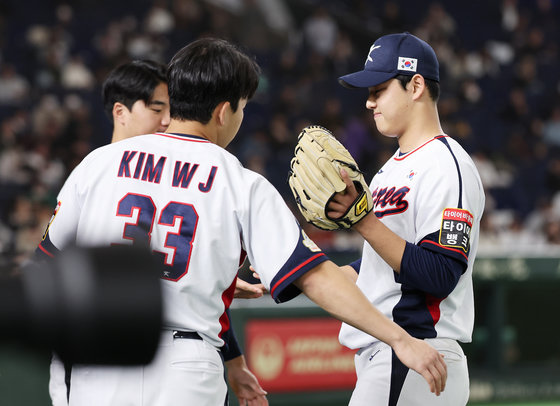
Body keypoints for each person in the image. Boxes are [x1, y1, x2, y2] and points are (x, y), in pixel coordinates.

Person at [36, 37, 446, 406]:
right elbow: (317, 278)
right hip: (185, 367)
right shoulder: (239, 182)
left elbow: (45, 268)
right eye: (242, 108)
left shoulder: (97, 164)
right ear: (222, 111)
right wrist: (400, 339)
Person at [43, 58, 268, 406]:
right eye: (157, 108)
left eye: (171, 108)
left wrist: (234, 359)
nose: (166, 119)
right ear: (121, 112)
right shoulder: (95, 169)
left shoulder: (110, 168)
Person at [330, 32, 485, 405]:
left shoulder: (447, 165)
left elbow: (440, 273)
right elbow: (380, 266)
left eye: (379, 90)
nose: (369, 102)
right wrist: (307, 274)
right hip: (394, 355)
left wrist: (362, 221)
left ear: (416, 86)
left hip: (417, 351)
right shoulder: (388, 170)